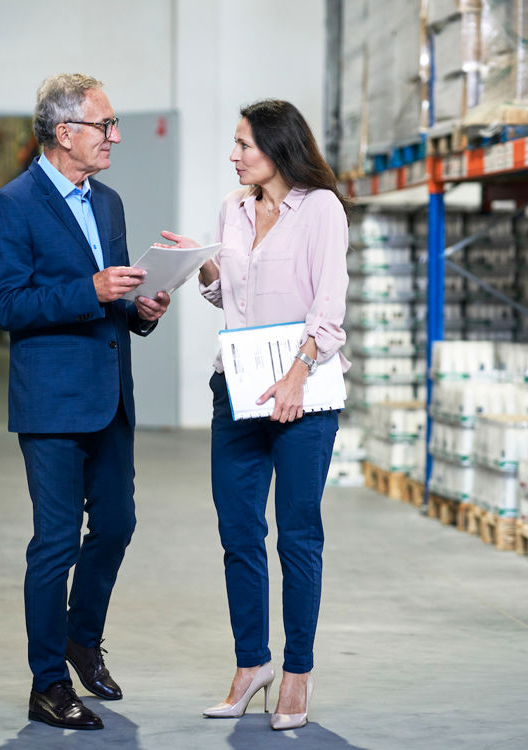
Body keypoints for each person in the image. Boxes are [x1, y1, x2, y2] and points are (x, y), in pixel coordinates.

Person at [0, 73, 171, 731]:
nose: (115, 137)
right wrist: (89, 289)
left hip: (110, 397)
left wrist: (139, 308)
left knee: (116, 526)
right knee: (55, 543)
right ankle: (46, 683)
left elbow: (110, 299)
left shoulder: (109, 203)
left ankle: (81, 638)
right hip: (53, 402)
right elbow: (6, 305)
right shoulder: (14, 204)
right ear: (66, 133)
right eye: (105, 126)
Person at [161, 99, 350, 731]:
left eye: (245, 145)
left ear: (278, 147)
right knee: (239, 533)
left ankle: (297, 672)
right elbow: (228, 297)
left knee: (297, 535)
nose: (235, 155)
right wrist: (203, 262)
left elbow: (328, 306)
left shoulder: (321, 208)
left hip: (303, 390)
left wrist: (298, 373)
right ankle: (252, 666)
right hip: (237, 389)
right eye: (235, 144)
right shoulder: (233, 209)